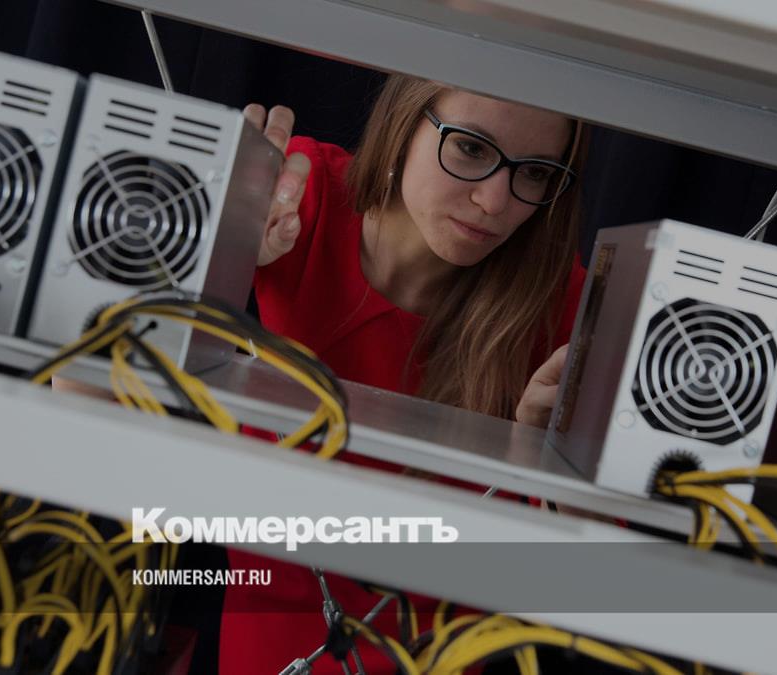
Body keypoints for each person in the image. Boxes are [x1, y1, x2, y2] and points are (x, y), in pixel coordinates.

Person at [218, 74, 591, 673]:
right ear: (403, 122)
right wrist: (208, 260)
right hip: (265, 635)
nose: (496, 201)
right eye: (470, 148)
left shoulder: (562, 309)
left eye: (536, 173)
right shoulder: (295, 195)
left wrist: (544, 462)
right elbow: (87, 401)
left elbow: (591, 582)